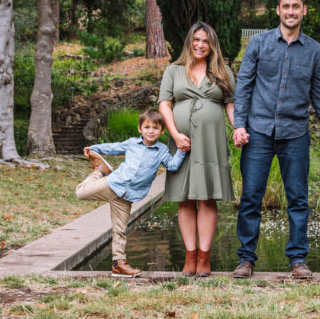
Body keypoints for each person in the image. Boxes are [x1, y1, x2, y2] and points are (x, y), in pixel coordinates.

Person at [231, 0, 320, 279]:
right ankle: (245, 259)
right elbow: (243, 88)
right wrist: (239, 125)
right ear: (277, 10)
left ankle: (298, 260)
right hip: (258, 133)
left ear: (304, 10)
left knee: (298, 198)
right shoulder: (258, 44)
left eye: (296, 6)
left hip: (295, 134)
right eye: (286, 6)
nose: (291, 11)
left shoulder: (315, 50)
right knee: (251, 197)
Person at [158, 22, 236, 278]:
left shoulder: (222, 72)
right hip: (182, 142)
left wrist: (239, 128)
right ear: (189, 42)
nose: (200, 45)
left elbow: (231, 106)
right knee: (185, 197)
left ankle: (204, 256)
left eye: (206, 41)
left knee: (207, 197)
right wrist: (175, 135)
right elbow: (165, 105)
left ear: (212, 45)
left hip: (211, 142)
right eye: (196, 40)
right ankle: (189, 256)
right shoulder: (174, 70)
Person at [76, 109, 186, 278]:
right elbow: (114, 148)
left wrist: (182, 151)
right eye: (147, 127)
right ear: (139, 129)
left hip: (128, 196)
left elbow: (172, 166)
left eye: (155, 128)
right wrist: (94, 149)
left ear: (162, 131)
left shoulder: (162, 150)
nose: (151, 131)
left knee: (120, 230)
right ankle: (100, 170)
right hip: (113, 184)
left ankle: (118, 264)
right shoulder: (132, 144)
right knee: (80, 193)